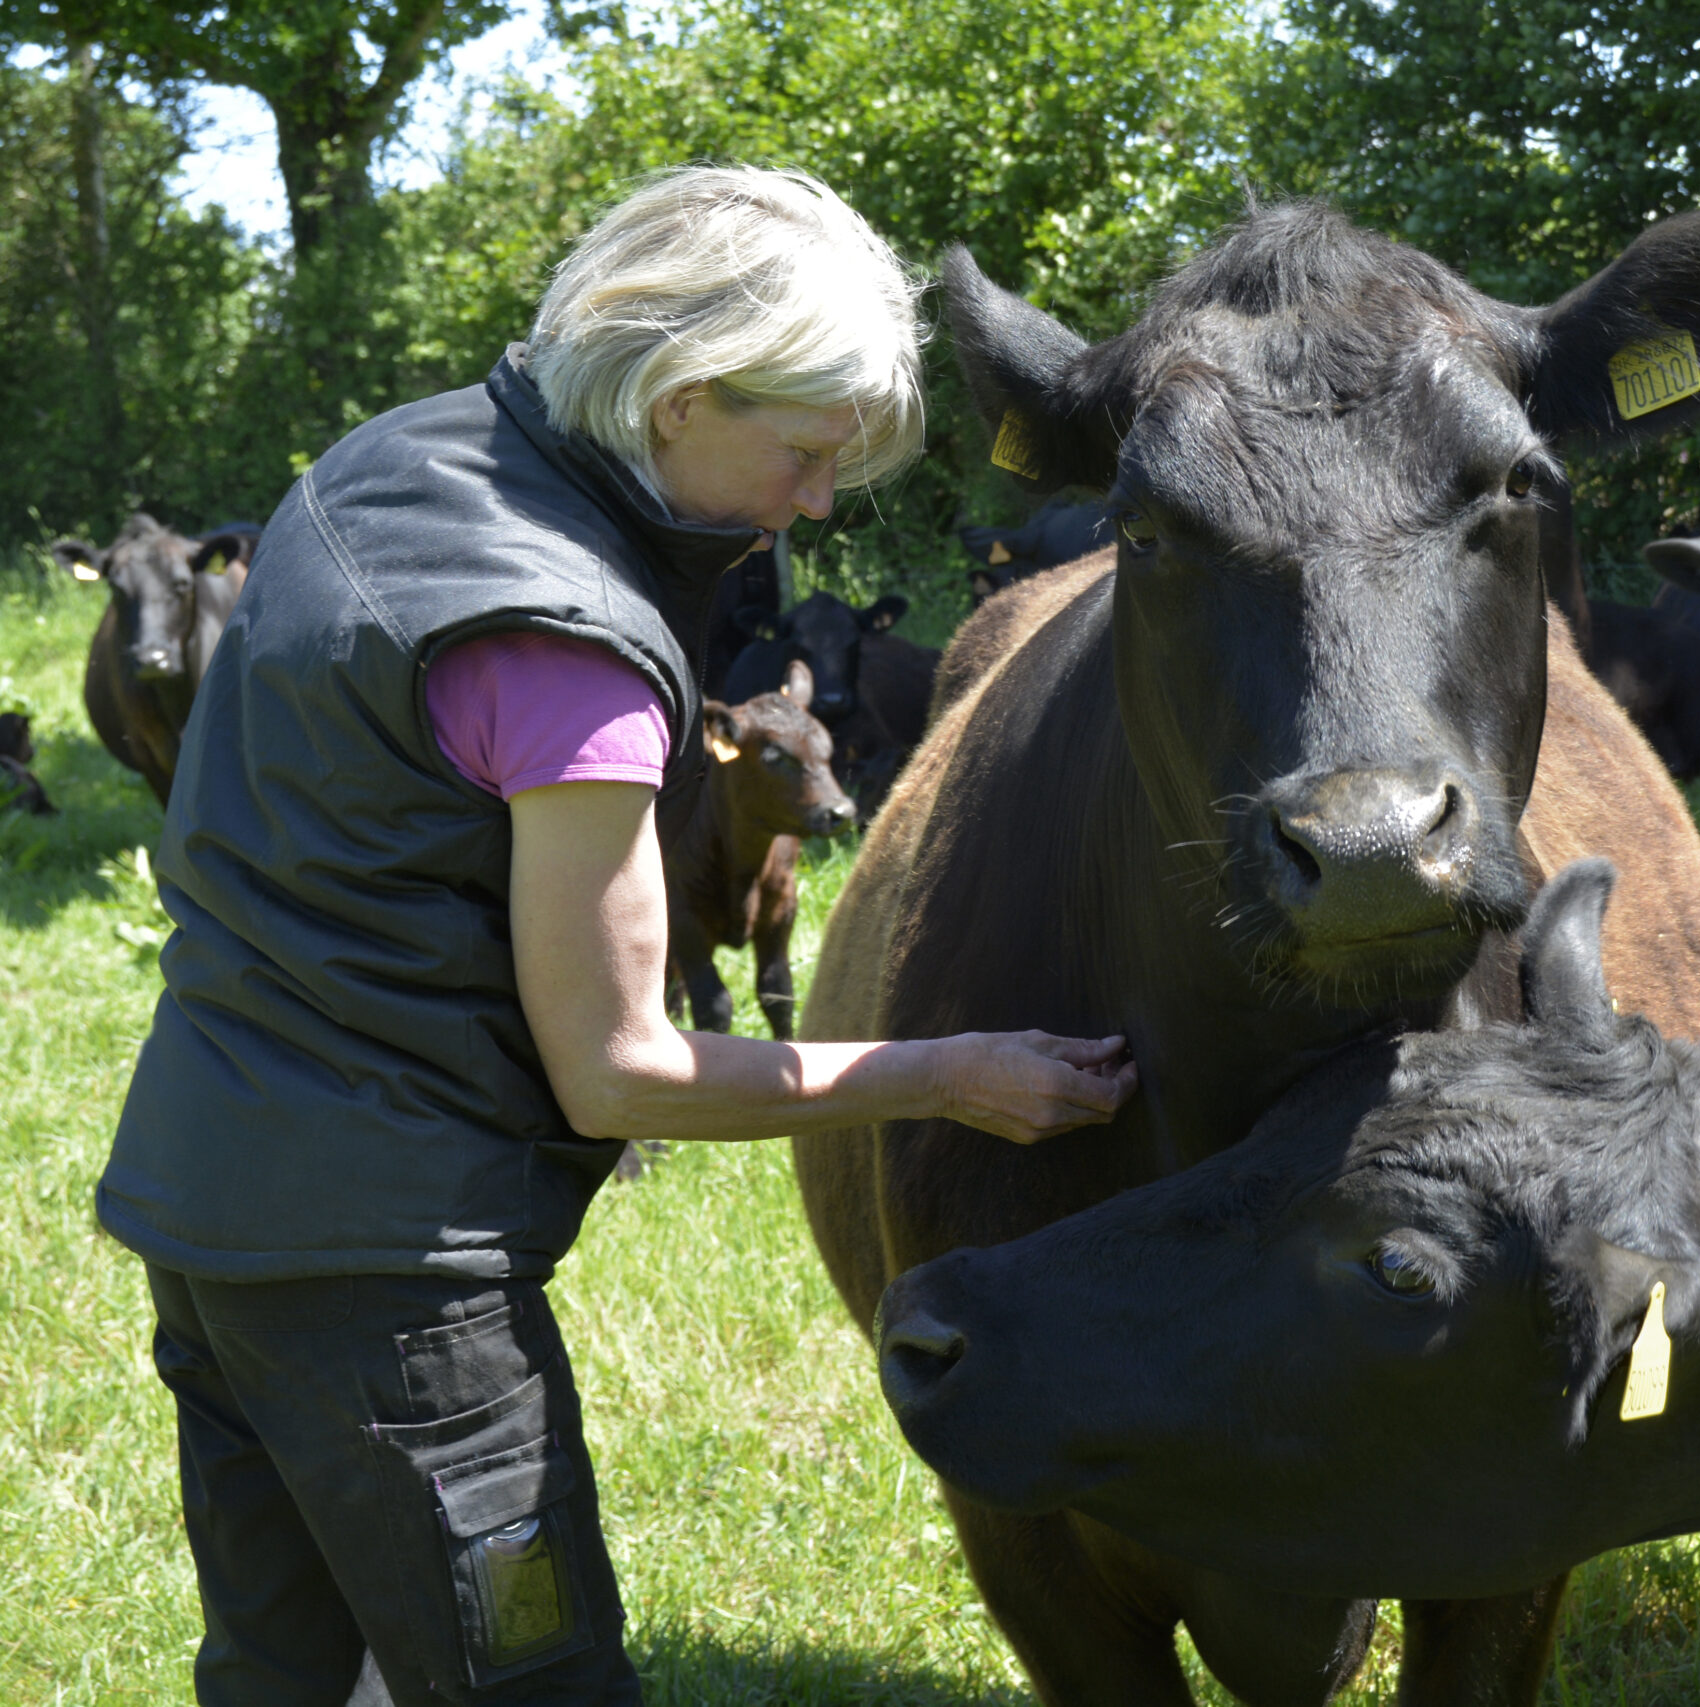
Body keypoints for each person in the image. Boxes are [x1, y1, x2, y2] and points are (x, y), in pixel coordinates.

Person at [96, 165, 1137, 1705]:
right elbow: (622, 1076)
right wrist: (948, 1069)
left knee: (290, 1671)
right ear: (680, 399)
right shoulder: (566, 647)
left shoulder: (388, 461)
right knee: (534, 1678)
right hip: (394, 1288)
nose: (819, 501)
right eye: (802, 452)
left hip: (208, 1201)